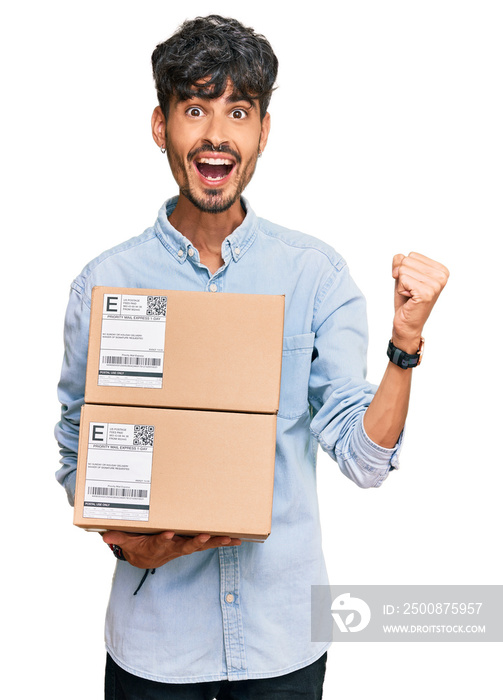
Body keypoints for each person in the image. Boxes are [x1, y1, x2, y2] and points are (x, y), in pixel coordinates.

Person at [55, 14, 449, 699]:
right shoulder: (106, 285)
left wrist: (405, 341)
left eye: (237, 110)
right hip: (155, 646)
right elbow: (75, 447)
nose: (216, 132)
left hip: (281, 645)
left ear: (262, 131)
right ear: (161, 126)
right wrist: (124, 543)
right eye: (194, 108)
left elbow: (363, 458)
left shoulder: (314, 276)